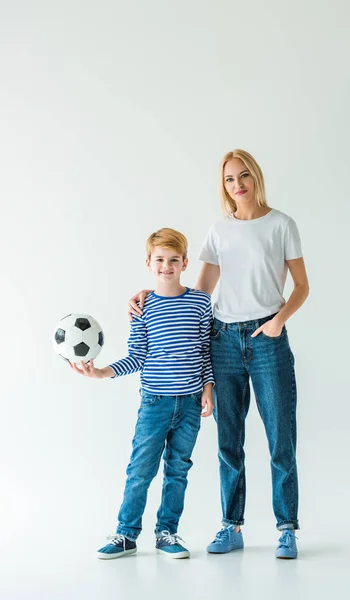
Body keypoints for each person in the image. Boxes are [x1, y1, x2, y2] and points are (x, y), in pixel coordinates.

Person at [128, 150, 309, 560]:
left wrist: (279, 320)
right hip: (222, 339)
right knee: (230, 440)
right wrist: (149, 296)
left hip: (268, 338)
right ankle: (232, 525)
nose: (237, 184)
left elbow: (301, 286)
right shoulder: (219, 230)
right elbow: (197, 294)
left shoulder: (281, 225)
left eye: (243, 176)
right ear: (223, 186)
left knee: (281, 438)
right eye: (229, 179)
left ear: (256, 177)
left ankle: (286, 529)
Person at [71, 228, 214, 560]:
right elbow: (137, 356)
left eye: (174, 260)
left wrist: (208, 388)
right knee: (141, 469)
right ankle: (126, 533)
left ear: (185, 263)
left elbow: (206, 350)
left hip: (191, 404)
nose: (167, 266)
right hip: (155, 404)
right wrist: (102, 371)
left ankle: (166, 532)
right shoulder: (143, 308)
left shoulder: (200, 302)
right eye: (160, 260)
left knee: (178, 469)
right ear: (149, 264)